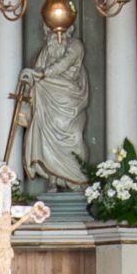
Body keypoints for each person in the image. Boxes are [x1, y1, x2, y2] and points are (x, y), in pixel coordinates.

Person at [19, 23, 90, 189]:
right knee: (46, 138)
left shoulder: (75, 45)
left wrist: (42, 73)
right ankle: (53, 179)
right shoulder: (46, 51)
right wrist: (28, 80)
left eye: (61, 30)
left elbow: (64, 63)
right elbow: (36, 73)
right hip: (47, 103)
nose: (56, 34)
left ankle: (77, 180)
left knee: (75, 136)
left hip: (70, 100)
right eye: (51, 30)